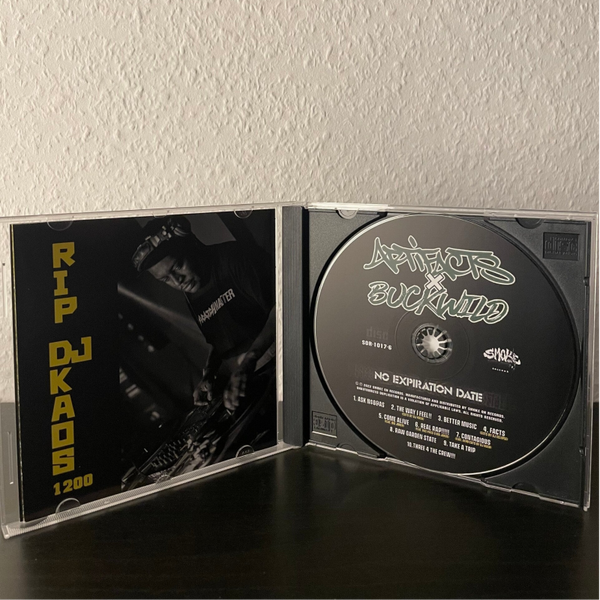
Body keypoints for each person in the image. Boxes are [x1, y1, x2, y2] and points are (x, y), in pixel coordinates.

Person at [131, 216, 276, 413]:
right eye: (166, 279)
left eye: (178, 266)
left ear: (191, 245)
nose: (178, 281)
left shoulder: (233, 258)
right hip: (250, 374)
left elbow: (281, 308)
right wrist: (209, 374)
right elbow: (221, 339)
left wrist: (249, 360)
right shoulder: (192, 292)